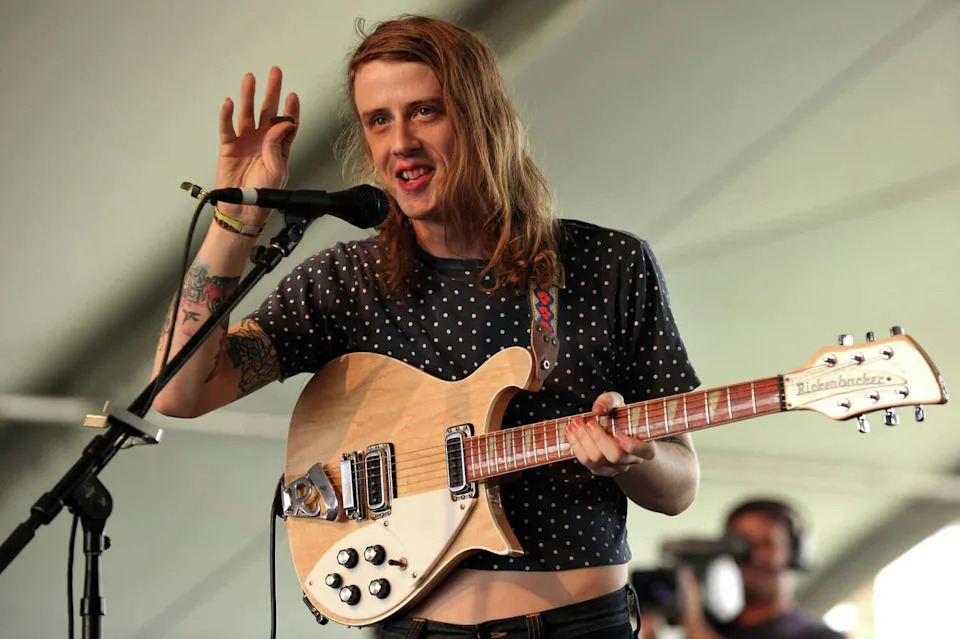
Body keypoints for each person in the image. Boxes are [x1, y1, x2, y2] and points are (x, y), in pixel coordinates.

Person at [152, 15, 701, 638]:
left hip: (581, 623)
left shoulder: (606, 264)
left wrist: (633, 461)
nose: (400, 142)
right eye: (378, 120)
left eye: (425, 112)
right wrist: (234, 218)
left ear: (480, 118)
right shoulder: (346, 282)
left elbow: (680, 484)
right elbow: (182, 391)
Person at [678, 499, 845, 639]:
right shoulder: (715, 629)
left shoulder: (818, 637)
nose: (753, 556)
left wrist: (695, 628)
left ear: (793, 553)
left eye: (766, 544)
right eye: (741, 544)